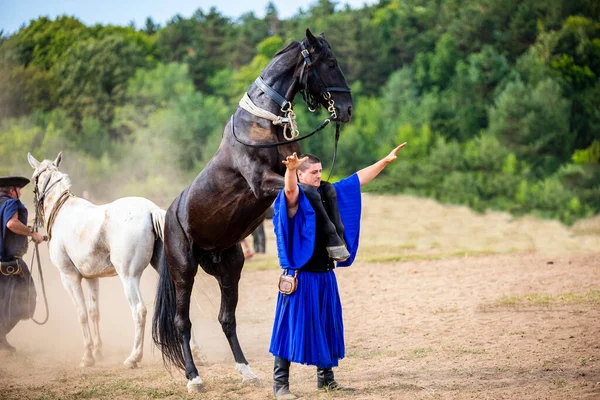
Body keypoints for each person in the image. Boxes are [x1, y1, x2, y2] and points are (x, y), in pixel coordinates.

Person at [269, 143, 406, 399]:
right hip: (301, 277)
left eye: (320, 171)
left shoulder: (327, 192)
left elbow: (357, 180)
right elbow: (289, 190)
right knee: (289, 328)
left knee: (327, 326)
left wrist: (385, 161)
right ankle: (281, 386)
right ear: (301, 174)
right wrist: (290, 170)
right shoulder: (295, 195)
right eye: (313, 172)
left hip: (324, 276)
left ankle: (327, 380)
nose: (318, 175)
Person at [0, 176, 44, 354]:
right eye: (19, 189)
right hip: (11, 263)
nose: (20, 192)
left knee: (3, 303)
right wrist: (31, 233)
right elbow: (11, 223)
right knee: (26, 299)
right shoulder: (11, 203)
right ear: (12, 191)